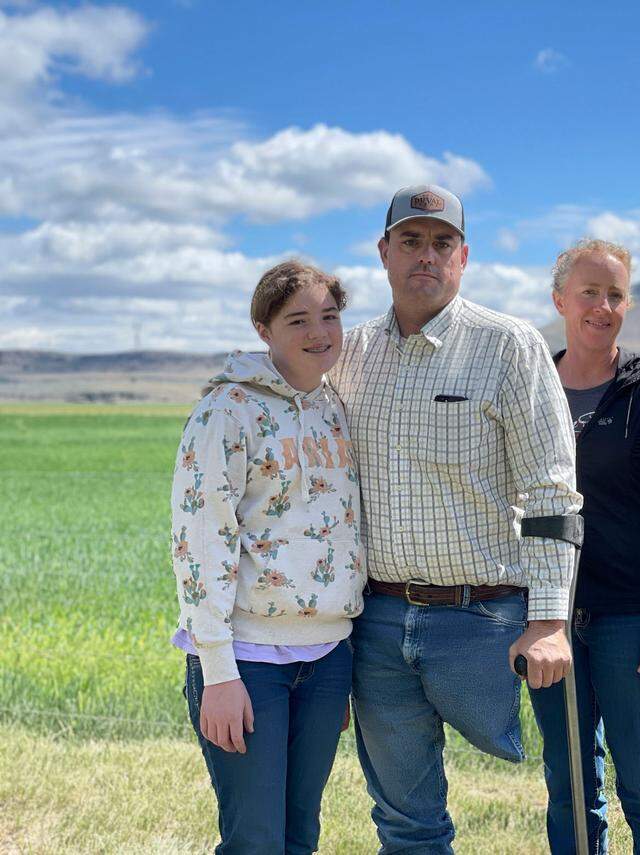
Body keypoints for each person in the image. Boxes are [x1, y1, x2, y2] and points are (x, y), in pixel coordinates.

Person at [325, 184, 582, 853]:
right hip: (377, 623)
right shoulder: (346, 356)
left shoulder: (509, 346)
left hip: (482, 619)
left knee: (567, 785)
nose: (426, 256)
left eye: (442, 243)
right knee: (406, 821)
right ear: (383, 251)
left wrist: (550, 621)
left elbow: (551, 492)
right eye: (410, 240)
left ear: (463, 256)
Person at [171, 260, 366, 854]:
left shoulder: (335, 405)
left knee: (300, 835)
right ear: (264, 329)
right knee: (255, 840)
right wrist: (219, 675)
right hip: (247, 660)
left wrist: (337, 656)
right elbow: (200, 543)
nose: (319, 332)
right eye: (298, 320)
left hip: (328, 657)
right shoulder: (226, 411)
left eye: (329, 317)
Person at [529, 239, 640, 854]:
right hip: (549, 619)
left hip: (632, 621)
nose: (602, 306)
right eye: (589, 293)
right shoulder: (532, 390)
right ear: (560, 301)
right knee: (570, 783)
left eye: (615, 295)